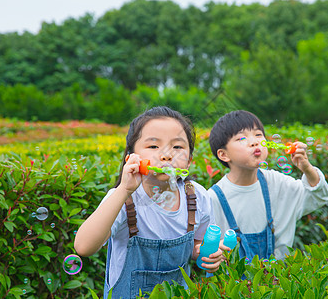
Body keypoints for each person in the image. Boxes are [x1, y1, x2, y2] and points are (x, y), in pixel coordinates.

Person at [74, 106, 223, 299]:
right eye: (153, 146)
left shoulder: (197, 197)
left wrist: (205, 253)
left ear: (189, 161)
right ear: (132, 158)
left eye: (177, 147)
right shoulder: (123, 199)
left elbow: (197, 244)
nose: (167, 155)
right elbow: (84, 247)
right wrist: (123, 190)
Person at [208, 110, 328, 261]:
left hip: (279, 279)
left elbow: (320, 196)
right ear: (223, 155)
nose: (254, 142)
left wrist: (307, 169)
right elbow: (206, 251)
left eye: (258, 135)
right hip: (233, 283)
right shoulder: (213, 198)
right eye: (242, 138)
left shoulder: (278, 183)